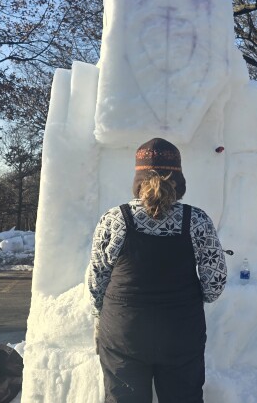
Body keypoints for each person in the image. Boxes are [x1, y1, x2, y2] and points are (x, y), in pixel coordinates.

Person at [86, 138, 227, 403]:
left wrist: (99, 315)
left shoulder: (114, 219)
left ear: (138, 180)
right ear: (179, 180)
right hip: (181, 333)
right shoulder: (197, 220)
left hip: (123, 332)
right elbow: (215, 283)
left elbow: (97, 279)